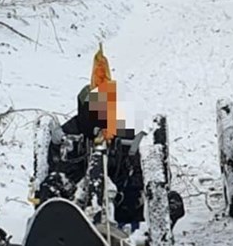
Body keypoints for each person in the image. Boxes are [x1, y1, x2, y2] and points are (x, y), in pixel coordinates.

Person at [34, 85, 185, 230]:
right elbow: (56, 169)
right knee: (52, 184)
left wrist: (126, 194)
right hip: (76, 202)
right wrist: (60, 146)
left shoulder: (124, 132)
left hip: (119, 202)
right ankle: (49, 232)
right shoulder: (68, 132)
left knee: (167, 201)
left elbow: (136, 174)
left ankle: (148, 239)